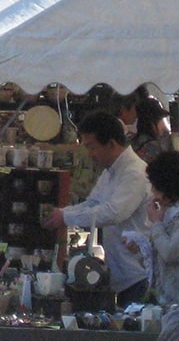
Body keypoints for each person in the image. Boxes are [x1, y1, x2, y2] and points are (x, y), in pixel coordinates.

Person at [43, 110, 152, 306]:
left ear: (111, 144)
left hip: (138, 274)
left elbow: (113, 212)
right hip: (119, 271)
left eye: (91, 147)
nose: (90, 155)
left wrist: (67, 218)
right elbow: (93, 203)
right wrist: (63, 213)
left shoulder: (135, 173)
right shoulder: (111, 171)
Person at [141, 151, 179, 305]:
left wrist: (156, 223)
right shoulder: (168, 211)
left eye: (156, 187)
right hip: (164, 297)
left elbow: (171, 252)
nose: (154, 192)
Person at [132, 98, 173, 163]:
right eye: (161, 119)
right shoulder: (153, 147)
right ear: (152, 123)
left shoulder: (135, 141)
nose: (163, 124)